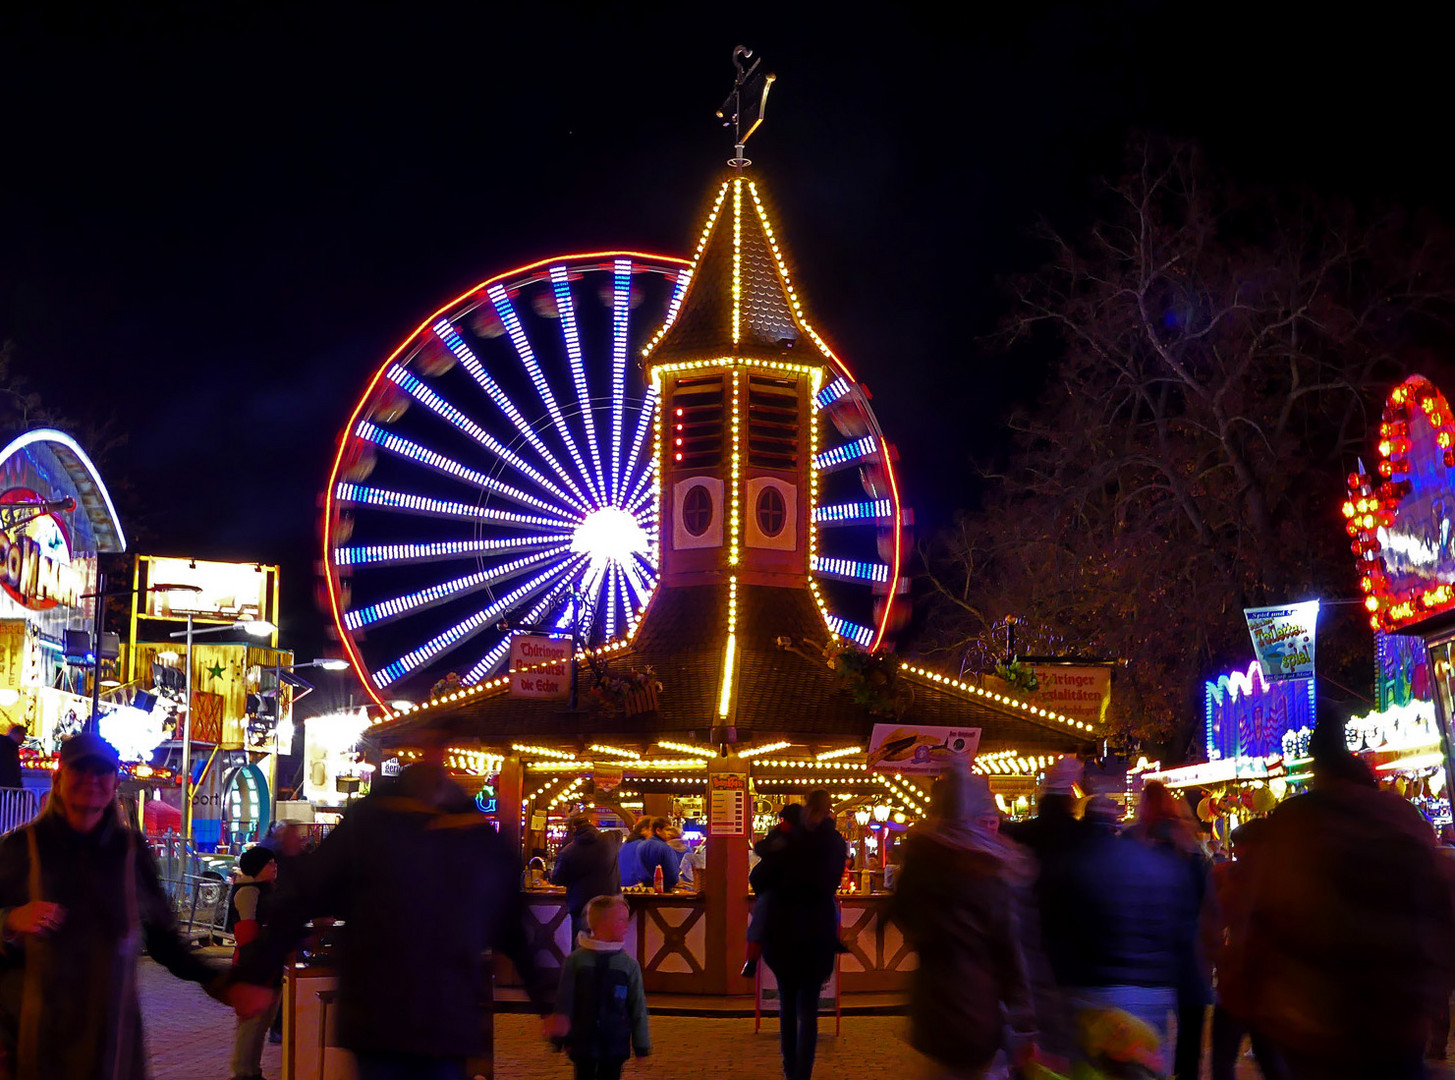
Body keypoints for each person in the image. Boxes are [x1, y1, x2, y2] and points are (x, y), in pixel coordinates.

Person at [231, 751, 552, 1080]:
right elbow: (307, 895)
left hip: (395, 1016)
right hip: (423, 1016)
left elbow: (306, 894)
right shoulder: (469, 838)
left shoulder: (375, 825)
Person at [0, 733, 249, 1079]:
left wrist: (222, 983)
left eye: (101, 771)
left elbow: (165, 940)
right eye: (80, 769)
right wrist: (10, 919)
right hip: (34, 1045)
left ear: (114, 782)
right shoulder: (20, 849)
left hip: (112, 1045)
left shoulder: (130, 852)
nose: (91, 779)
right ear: (58, 778)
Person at [1244, 718, 1455, 1079]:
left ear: (1319, 773)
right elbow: (1440, 905)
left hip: (1317, 1020)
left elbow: (1264, 915)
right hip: (1398, 1012)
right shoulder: (1403, 818)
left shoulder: (1297, 821)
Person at [890, 763, 1038, 1079]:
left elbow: (902, 914)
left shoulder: (922, 859)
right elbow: (1010, 950)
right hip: (978, 1007)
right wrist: (1025, 1020)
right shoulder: (992, 868)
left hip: (932, 1005)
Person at [1037, 793, 1199, 1073]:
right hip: (1152, 992)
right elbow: (1181, 933)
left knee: (1094, 1071)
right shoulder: (1160, 866)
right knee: (1144, 1070)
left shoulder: (1069, 863)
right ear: (1116, 823)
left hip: (1092, 994)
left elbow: (1055, 935)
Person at [750, 789, 847, 1080]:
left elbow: (758, 872)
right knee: (809, 1011)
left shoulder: (789, 840)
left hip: (783, 930)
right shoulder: (834, 843)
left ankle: (790, 1068)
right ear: (829, 810)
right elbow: (829, 884)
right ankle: (802, 1073)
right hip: (817, 931)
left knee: (788, 1006)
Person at [1129, 779, 1212, 1080]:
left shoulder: (1134, 843)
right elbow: (1208, 901)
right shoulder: (1191, 847)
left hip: (1147, 953)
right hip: (1190, 951)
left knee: (1147, 1036)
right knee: (1190, 1037)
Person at [1203, 820, 1288, 1080]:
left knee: (1224, 1059)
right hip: (1273, 985)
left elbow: (1212, 924)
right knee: (1271, 1059)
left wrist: (1220, 958)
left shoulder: (1233, 877)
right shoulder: (1290, 879)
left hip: (1238, 984)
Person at [549, 894, 650, 1080]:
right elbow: (565, 1000)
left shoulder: (628, 965)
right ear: (602, 923)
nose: (627, 926)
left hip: (615, 1041)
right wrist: (558, 1037)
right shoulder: (576, 961)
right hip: (582, 1040)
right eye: (621, 920)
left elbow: (637, 1007)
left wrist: (641, 1044)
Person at [228, 844, 280, 1080]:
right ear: (258, 867)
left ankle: (253, 1070)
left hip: (268, 963)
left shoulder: (265, 890)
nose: (274, 866)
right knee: (251, 1024)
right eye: (269, 863)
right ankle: (243, 1072)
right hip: (254, 967)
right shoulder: (249, 893)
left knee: (261, 1024)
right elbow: (246, 933)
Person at [743, 804, 802, 977]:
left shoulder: (788, 837)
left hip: (776, 889)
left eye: (783, 820)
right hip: (778, 889)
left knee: (760, 924)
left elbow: (761, 849)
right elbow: (760, 848)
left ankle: (752, 962)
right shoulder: (790, 836)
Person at [552, 812, 621, 939]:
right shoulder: (610, 839)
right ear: (592, 825)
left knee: (581, 944)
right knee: (608, 943)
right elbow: (619, 834)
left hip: (581, 906)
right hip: (609, 903)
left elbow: (557, 879)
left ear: (574, 829)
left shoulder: (568, 851)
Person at [618, 818, 678, 891]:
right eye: (667, 830)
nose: (670, 833)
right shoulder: (665, 848)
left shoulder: (639, 846)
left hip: (638, 889)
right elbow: (672, 877)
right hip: (662, 890)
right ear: (658, 830)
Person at [615, 816, 653, 889]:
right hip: (636, 887)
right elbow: (645, 873)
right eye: (653, 830)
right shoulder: (643, 845)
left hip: (621, 886)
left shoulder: (626, 844)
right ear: (644, 830)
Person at [0, 725, 24, 792]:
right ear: (16, 734)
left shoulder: (11, 746)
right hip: (7, 785)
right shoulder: (6, 746)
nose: (24, 738)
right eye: (22, 735)